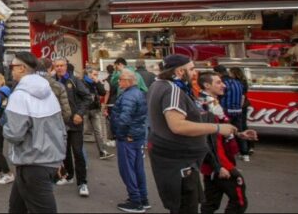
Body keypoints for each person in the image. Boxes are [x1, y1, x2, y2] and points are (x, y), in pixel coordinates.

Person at [147, 54, 238, 214]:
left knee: (182, 205)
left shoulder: (159, 85)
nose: (195, 73)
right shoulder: (172, 90)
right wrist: (216, 128)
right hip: (179, 163)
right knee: (186, 206)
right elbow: (177, 126)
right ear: (180, 71)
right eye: (191, 69)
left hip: (174, 159)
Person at [4, 51, 66, 213]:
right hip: (46, 159)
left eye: (13, 66)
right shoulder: (49, 92)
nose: (11, 70)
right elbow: (59, 128)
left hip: (32, 162)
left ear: (22, 68)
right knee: (16, 207)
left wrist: (5, 126)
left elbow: (15, 134)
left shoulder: (19, 96)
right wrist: (59, 158)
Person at [196, 72, 257, 214]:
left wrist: (239, 134)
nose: (223, 85)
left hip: (215, 163)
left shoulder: (213, 102)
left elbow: (221, 129)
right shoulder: (204, 106)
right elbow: (204, 140)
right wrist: (218, 167)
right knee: (239, 201)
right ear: (207, 85)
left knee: (210, 204)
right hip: (219, 163)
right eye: (218, 82)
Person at [110, 70, 150, 213]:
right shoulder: (137, 93)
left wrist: (120, 134)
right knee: (138, 168)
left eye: (121, 79)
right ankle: (142, 198)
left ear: (128, 81)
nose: (119, 82)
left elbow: (124, 118)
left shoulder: (128, 96)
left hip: (128, 137)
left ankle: (135, 200)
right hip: (136, 135)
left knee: (128, 169)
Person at [52, 57, 92, 197]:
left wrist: (80, 114)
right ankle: (69, 176)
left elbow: (88, 98)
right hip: (60, 123)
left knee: (77, 152)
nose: (59, 68)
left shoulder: (75, 81)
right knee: (64, 152)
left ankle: (82, 183)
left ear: (66, 66)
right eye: (57, 66)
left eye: (62, 65)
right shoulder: (52, 82)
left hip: (75, 123)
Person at [214, 65, 249, 162]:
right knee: (239, 131)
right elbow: (242, 96)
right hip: (237, 110)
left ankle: (226, 153)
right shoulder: (238, 82)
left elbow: (220, 96)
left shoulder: (223, 83)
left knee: (224, 132)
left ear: (218, 73)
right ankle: (245, 153)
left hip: (226, 110)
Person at [83, 66, 114, 160]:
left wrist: (97, 83)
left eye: (97, 74)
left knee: (98, 131)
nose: (96, 76)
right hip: (84, 110)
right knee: (81, 132)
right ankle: (80, 154)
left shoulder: (95, 83)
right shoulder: (82, 82)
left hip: (95, 109)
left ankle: (102, 151)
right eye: (94, 74)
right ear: (88, 74)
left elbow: (103, 92)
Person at [229, 67, 253, 156]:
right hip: (244, 105)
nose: (229, 74)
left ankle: (244, 149)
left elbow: (242, 97)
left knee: (240, 127)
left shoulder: (236, 83)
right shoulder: (244, 82)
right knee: (243, 125)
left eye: (230, 73)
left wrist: (239, 106)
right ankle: (249, 146)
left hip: (239, 105)